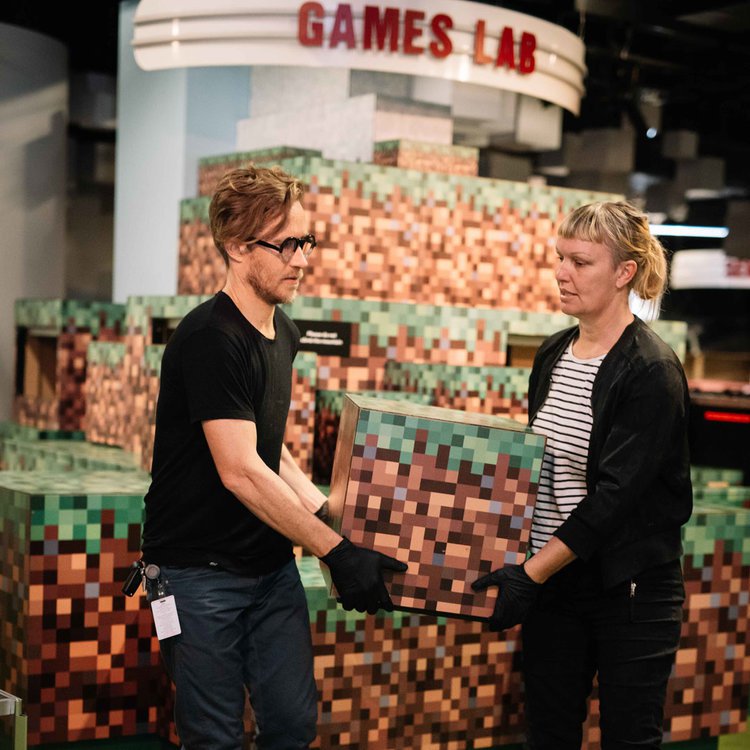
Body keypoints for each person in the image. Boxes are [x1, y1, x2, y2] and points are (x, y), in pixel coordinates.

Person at [140, 164, 407, 750]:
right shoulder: (211, 337)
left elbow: (268, 448)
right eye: (285, 244)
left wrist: (339, 522)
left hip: (268, 570)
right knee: (213, 738)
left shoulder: (280, 330)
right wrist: (334, 550)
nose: (302, 259)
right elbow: (239, 472)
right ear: (237, 247)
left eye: (306, 241)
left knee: (291, 726)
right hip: (194, 574)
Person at [473, 200, 692, 748]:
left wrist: (529, 573)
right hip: (556, 584)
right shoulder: (553, 353)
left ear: (625, 273)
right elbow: (541, 471)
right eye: (559, 258)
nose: (561, 273)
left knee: (629, 738)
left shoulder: (650, 369)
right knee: (548, 735)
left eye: (580, 262)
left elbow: (611, 501)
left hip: (630, 592)